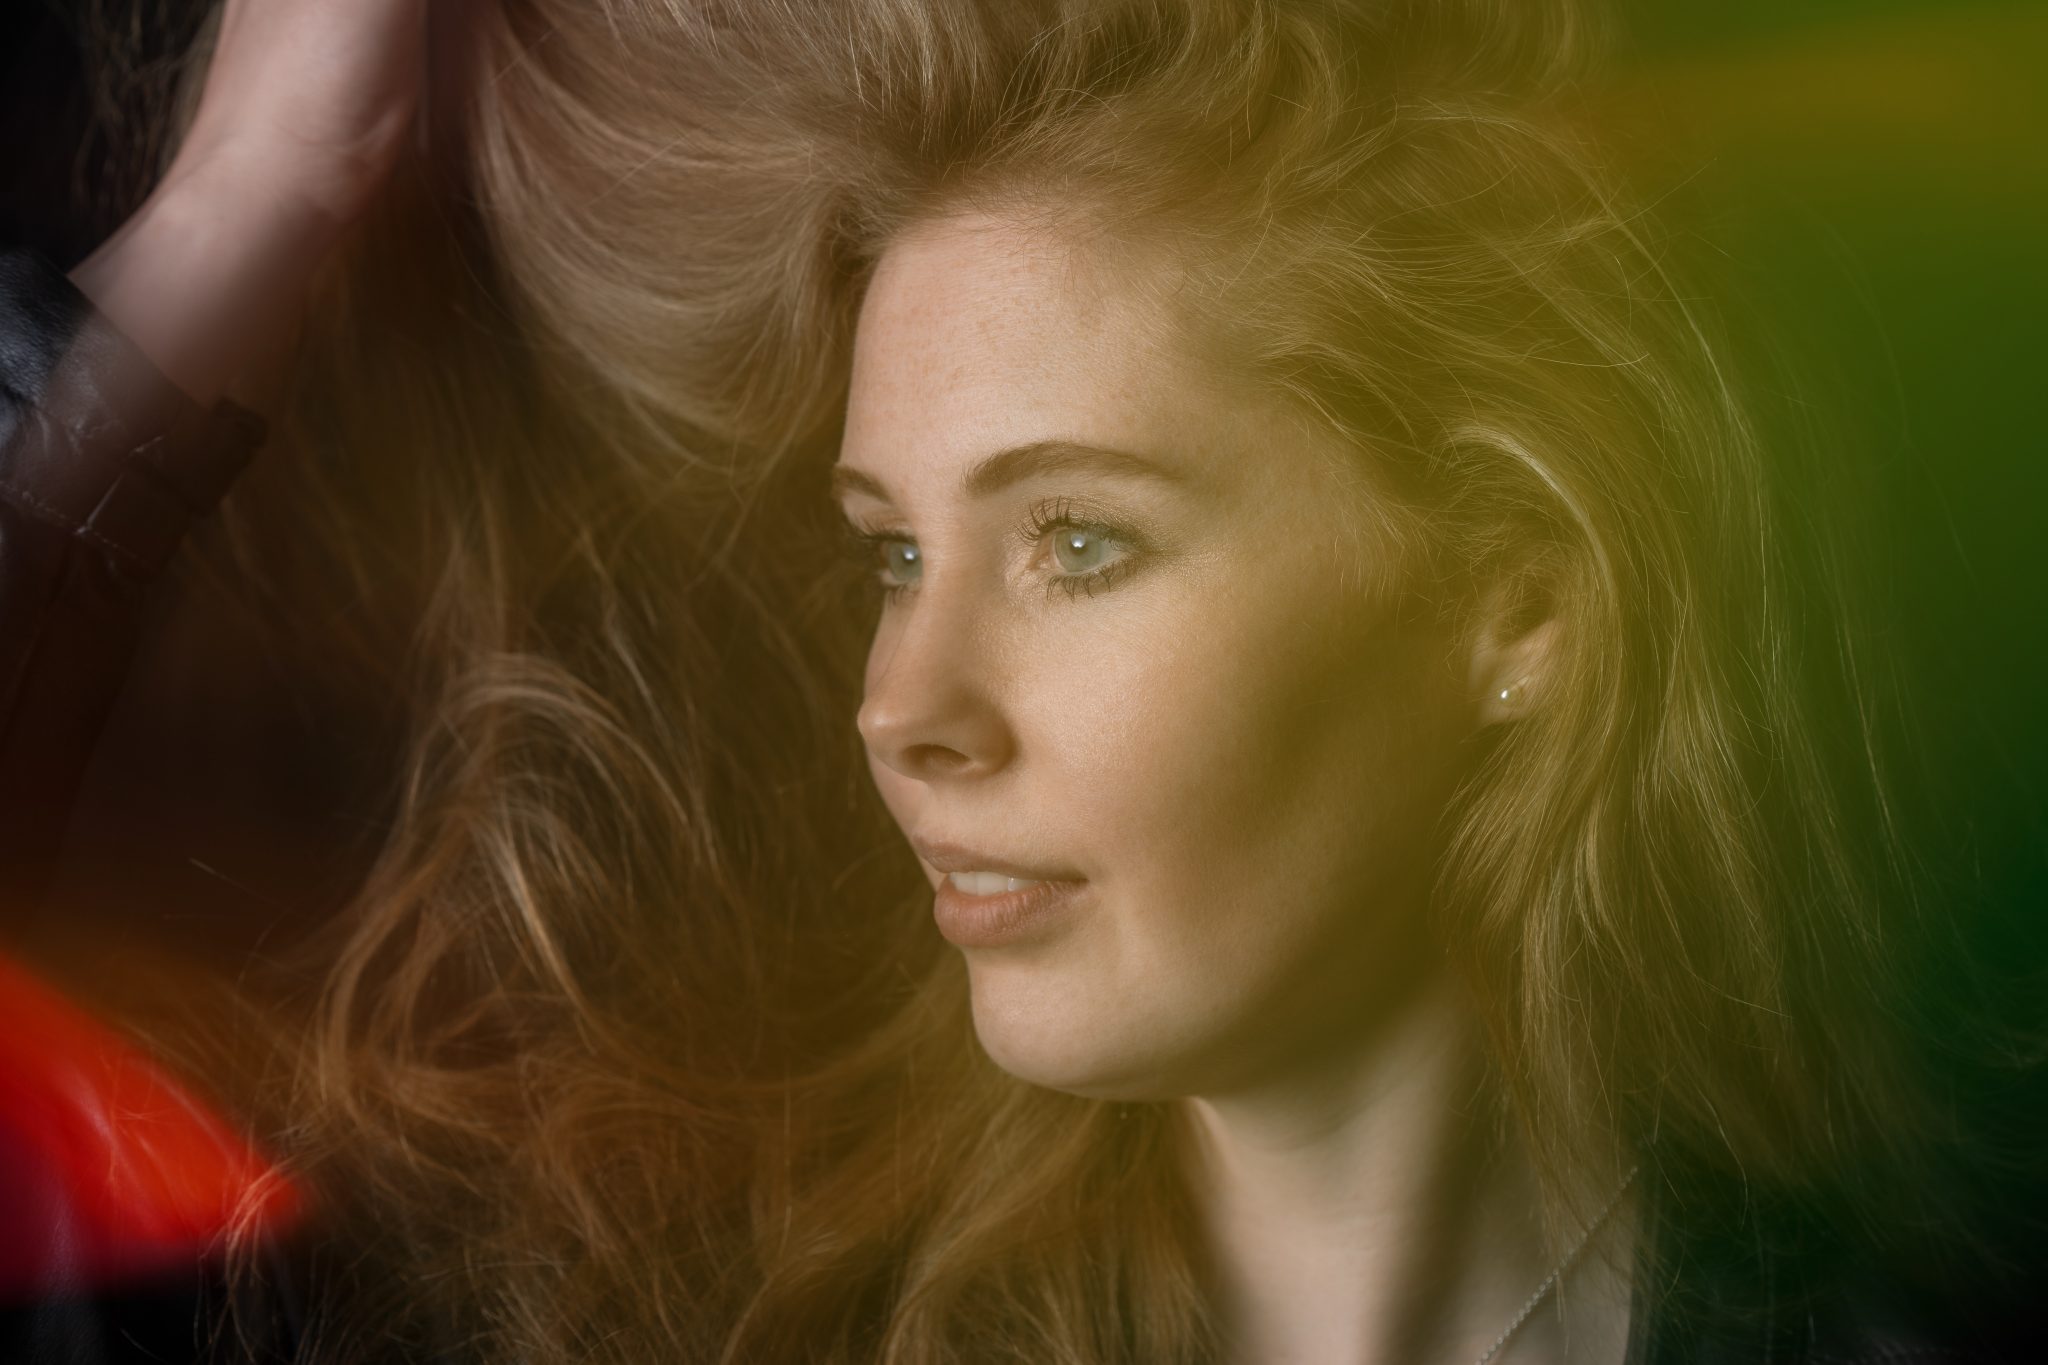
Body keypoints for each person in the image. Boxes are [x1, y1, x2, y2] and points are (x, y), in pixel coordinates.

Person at [0, 0, 2032, 1361]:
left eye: (1079, 542)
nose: (907, 706)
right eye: (893, 552)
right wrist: (263, 187)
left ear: (1516, 603)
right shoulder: (698, 1318)